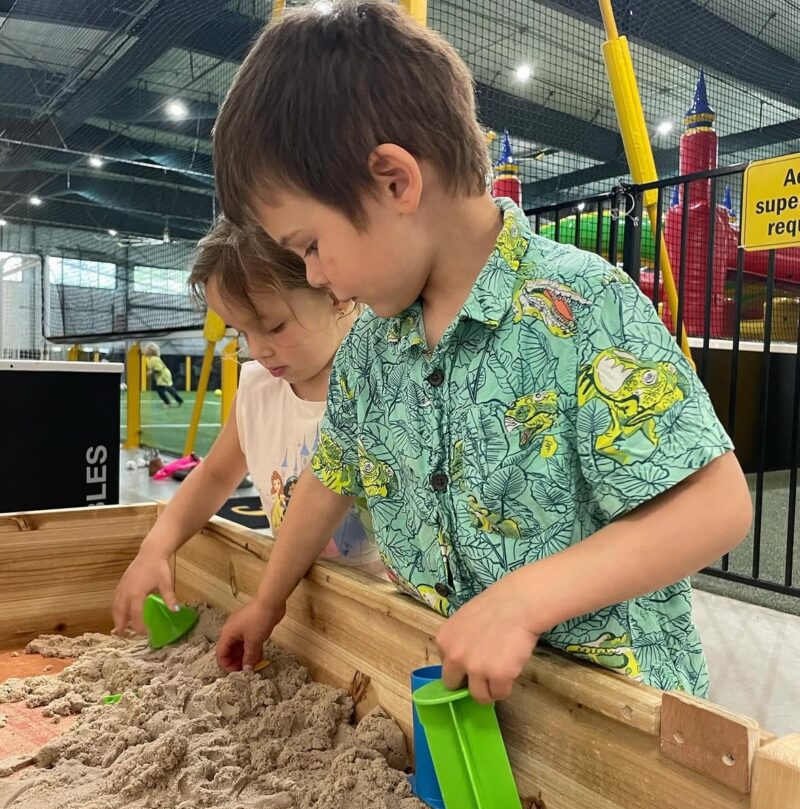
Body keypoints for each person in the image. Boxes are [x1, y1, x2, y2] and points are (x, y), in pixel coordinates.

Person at [211, 0, 752, 703]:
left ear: (395, 181)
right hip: (473, 697)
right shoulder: (371, 345)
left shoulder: (580, 304)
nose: (313, 275)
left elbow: (716, 506)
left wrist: (525, 600)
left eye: (311, 245)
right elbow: (331, 476)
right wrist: (269, 599)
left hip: (613, 704)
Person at [112, 218, 383, 635]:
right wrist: (156, 547)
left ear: (334, 292)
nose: (258, 349)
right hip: (294, 604)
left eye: (274, 326)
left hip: (381, 610)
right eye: (242, 331)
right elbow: (215, 474)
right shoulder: (258, 387)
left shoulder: (381, 384)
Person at [142, 342, 183, 407]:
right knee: (167, 388)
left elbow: (159, 368)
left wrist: (151, 371)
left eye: (146, 349)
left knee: (163, 389)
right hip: (162, 375)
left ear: (151, 351)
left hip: (163, 375)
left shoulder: (153, 359)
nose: (144, 350)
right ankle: (178, 400)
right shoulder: (150, 358)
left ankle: (169, 402)